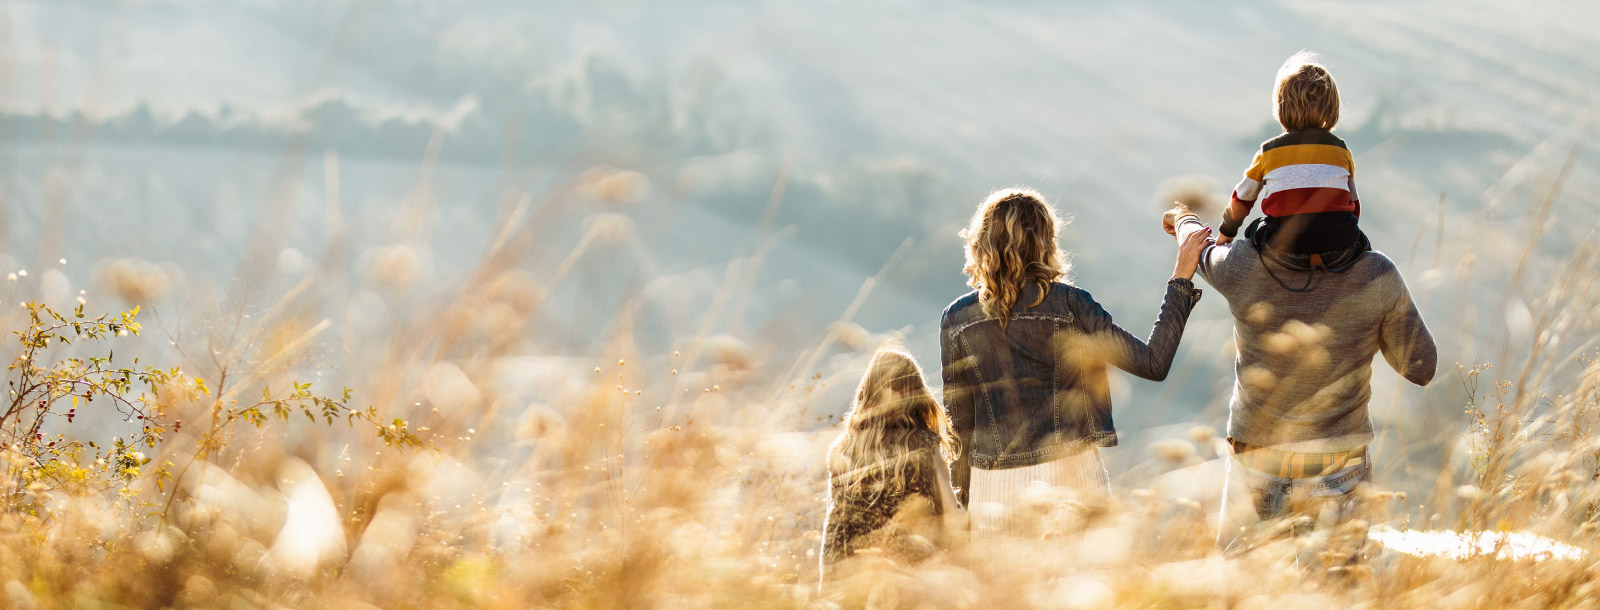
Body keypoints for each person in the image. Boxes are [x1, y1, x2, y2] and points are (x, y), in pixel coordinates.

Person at [1163, 201, 1436, 559]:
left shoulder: (1242, 263)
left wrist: (1182, 216)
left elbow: (1196, 244)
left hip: (1256, 464)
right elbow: (1420, 367)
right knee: (1338, 594)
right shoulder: (1375, 273)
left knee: (1242, 594)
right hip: (1340, 468)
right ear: (1351, 208)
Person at [940, 188, 1209, 537]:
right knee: (1080, 587)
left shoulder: (957, 318)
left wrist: (962, 500)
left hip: (992, 488)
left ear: (980, 243)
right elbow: (1153, 363)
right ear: (1046, 242)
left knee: (1006, 591)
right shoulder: (1071, 304)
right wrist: (1181, 278)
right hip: (1071, 474)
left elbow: (958, 424)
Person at [820, 344, 963, 582]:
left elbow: (832, 528)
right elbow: (952, 519)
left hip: (847, 577)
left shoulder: (841, 449)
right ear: (915, 393)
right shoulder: (924, 445)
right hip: (906, 576)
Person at [1219, 51, 1364, 261]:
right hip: (1338, 243)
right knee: (1362, 242)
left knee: (1255, 229)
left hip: (1283, 245)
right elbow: (1353, 205)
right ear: (1332, 107)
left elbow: (1242, 198)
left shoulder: (1269, 152)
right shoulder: (1341, 150)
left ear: (1281, 106)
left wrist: (1226, 234)